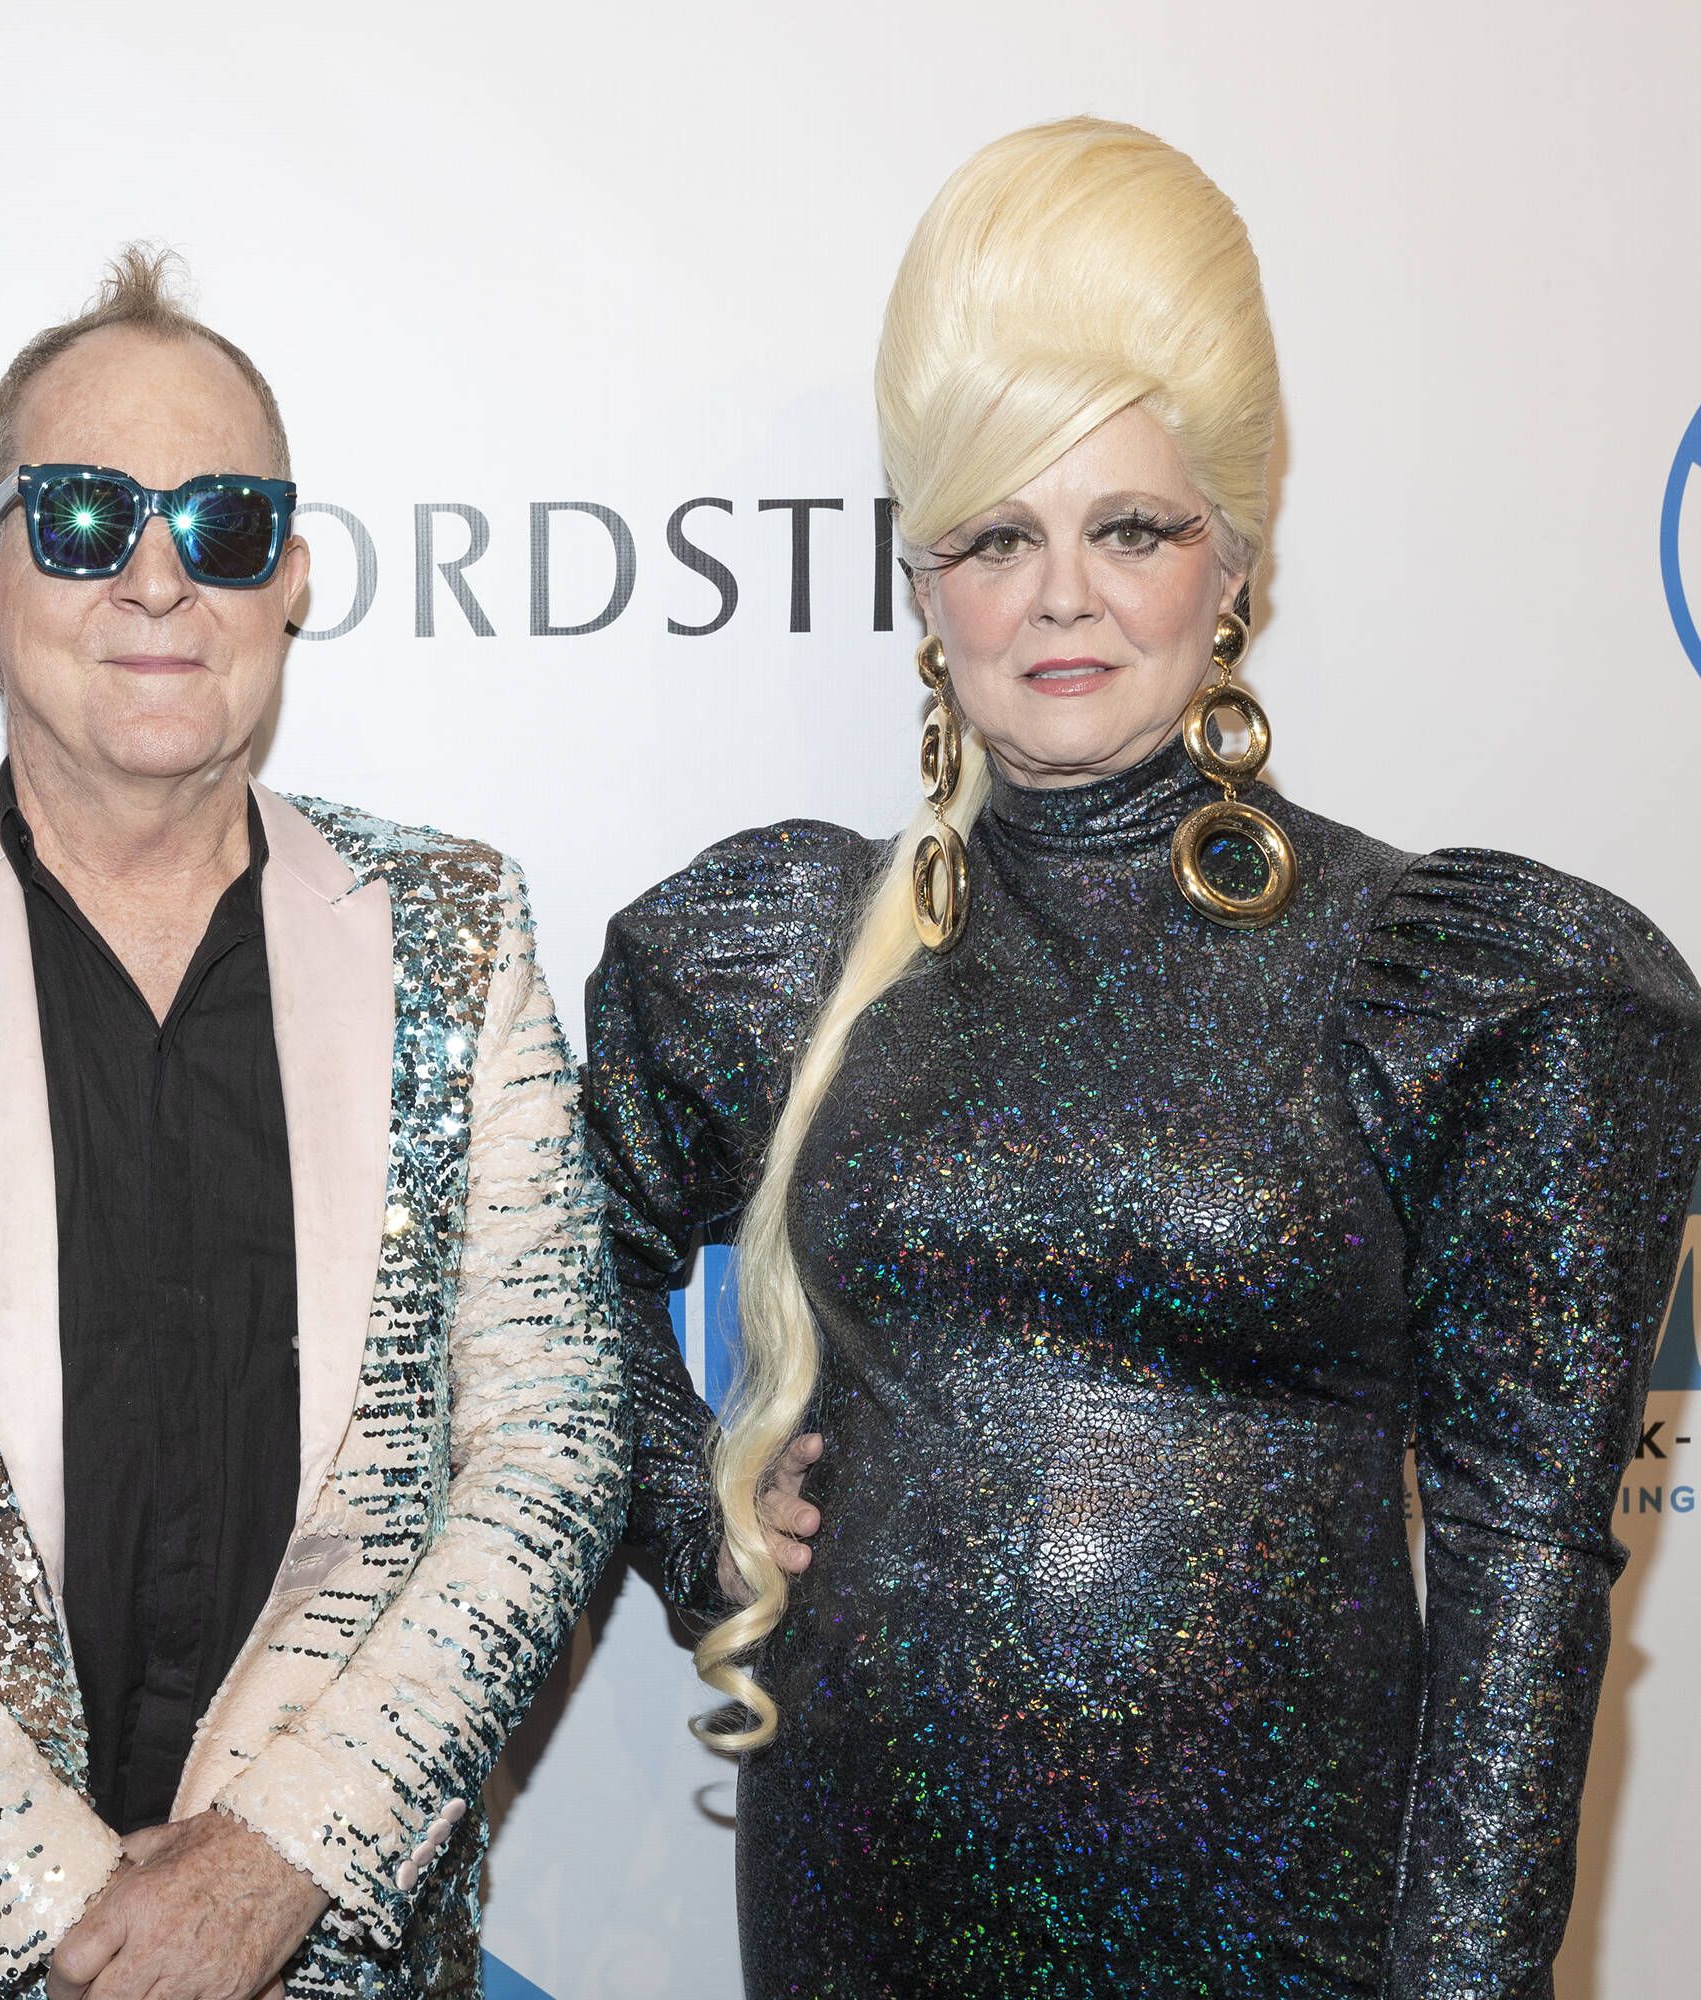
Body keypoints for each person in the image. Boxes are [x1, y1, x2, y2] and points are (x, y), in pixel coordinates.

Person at [594, 120, 1701, 1997]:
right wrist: (689, 1506)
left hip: (1285, 1935)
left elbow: (1526, 1588)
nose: (1062, 598)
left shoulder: (1448, 990)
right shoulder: (788, 957)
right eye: (994, 536)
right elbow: (537, 1271)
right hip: (861, 1902)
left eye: (1131, 526)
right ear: (922, 580)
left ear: (1236, 553)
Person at [0, 248, 626, 2000]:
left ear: (295, 579)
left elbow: (548, 1455)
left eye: (224, 523)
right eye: (87, 516)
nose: (160, 575)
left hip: (318, 1946)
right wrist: (82, 1932)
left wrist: (277, 1868)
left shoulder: (458, 932)